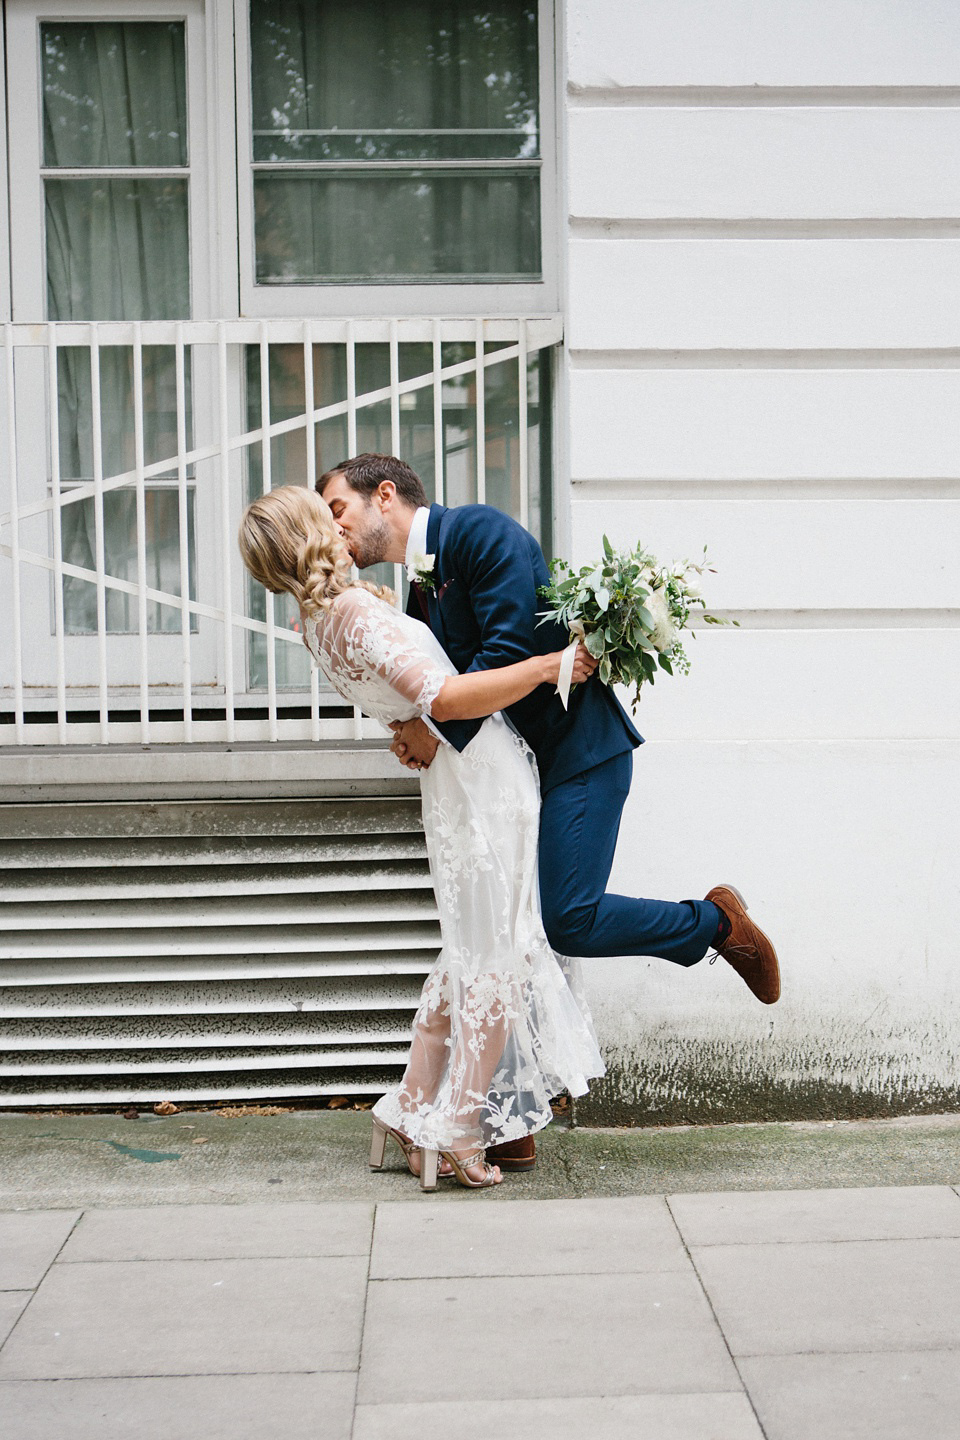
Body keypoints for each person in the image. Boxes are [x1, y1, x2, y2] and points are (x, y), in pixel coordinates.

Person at [317, 453, 781, 1173]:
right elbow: (436, 678)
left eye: (338, 510)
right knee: (508, 938)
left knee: (569, 919)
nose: (333, 529)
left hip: (578, 756)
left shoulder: (483, 535)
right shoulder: (416, 588)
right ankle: (509, 1121)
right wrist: (410, 728)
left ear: (385, 496)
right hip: (509, 777)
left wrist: (430, 728)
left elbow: (508, 650)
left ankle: (716, 925)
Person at [238, 484, 605, 1191]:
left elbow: (402, 703)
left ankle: (410, 1106)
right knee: (494, 953)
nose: (337, 516)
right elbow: (445, 699)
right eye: (326, 512)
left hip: (457, 783)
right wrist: (549, 666)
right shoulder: (351, 612)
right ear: (309, 531)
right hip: (480, 781)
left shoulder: (316, 622)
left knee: (471, 947)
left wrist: (408, 730)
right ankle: (461, 1126)